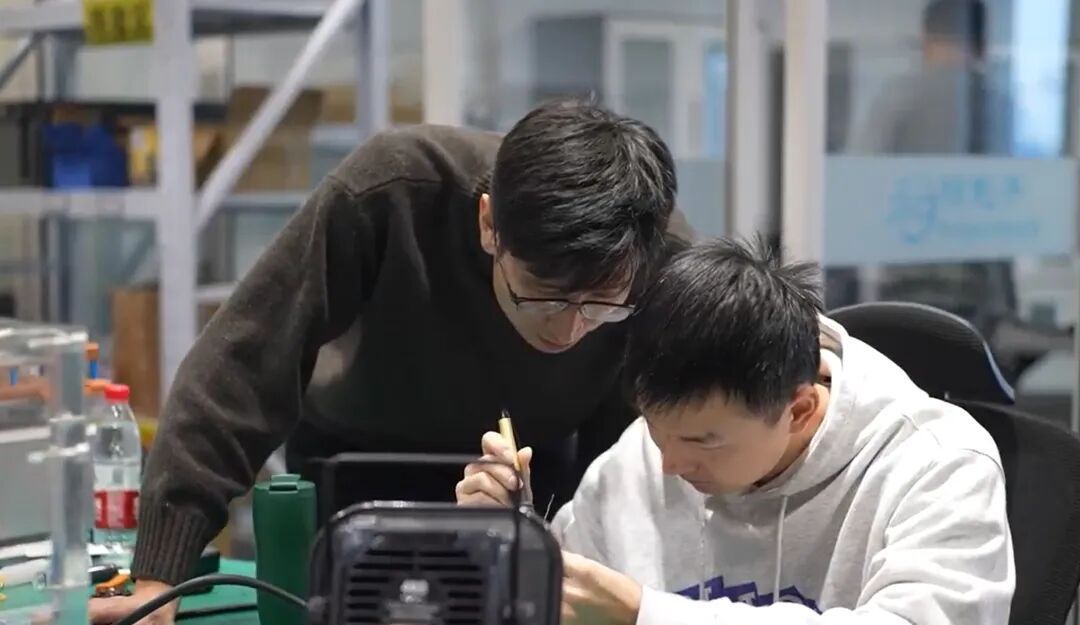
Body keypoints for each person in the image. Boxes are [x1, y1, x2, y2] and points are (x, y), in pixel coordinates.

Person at [89, 99, 690, 625]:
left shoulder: (661, 254)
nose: (568, 329)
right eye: (544, 295)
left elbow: (655, 450)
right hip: (358, 470)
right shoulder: (393, 190)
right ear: (489, 225)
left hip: (537, 486)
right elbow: (243, 366)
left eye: (600, 306)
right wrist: (160, 576)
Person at [459, 237, 1015, 624]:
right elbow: (565, 604)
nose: (670, 464)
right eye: (657, 429)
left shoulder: (940, 465)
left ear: (799, 409)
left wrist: (647, 615)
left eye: (704, 441)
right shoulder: (637, 462)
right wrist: (511, 547)